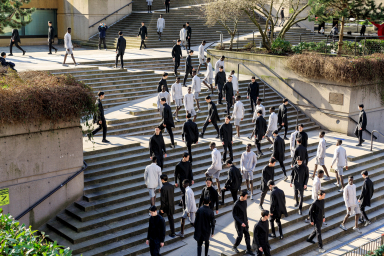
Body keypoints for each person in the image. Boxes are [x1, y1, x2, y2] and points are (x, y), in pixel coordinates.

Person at [232, 190, 254, 255]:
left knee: (247, 235)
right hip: (239, 223)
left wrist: (246, 219)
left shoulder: (245, 201)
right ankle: (234, 246)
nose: (247, 197)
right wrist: (241, 223)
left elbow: (245, 211)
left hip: (245, 221)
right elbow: (234, 215)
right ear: (241, 196)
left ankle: (248, 249)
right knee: (240, 236)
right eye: (246, 196)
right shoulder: (236, 204)